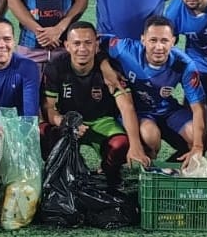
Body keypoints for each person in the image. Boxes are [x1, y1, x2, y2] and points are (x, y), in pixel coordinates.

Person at [41, 21, 149, 186]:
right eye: (76, 43)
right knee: (43, 132)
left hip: (101, 122)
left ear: (96, 44)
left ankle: (108, 174)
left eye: (88, 43)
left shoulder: (111, 70)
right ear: (67, 46)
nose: (82, 49)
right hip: (69, 123)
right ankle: (63, 174)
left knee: (120, 145)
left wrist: (136, 146)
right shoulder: (55, 67)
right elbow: (49, 107)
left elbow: (126, 107)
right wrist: (65, 122)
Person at [103, 16, 206, 162]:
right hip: (139, 113)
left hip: (168, 111)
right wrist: (104, 66)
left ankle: (174, 171)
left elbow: (198, 107)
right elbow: (94, 42)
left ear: (173, 41)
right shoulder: (125, 49)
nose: (159, 47)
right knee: (150, 135)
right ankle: (149, 172)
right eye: (153, 40)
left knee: (200, 134)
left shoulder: (184, 64)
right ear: (143, 39)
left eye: (164, 40)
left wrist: (198, 146)